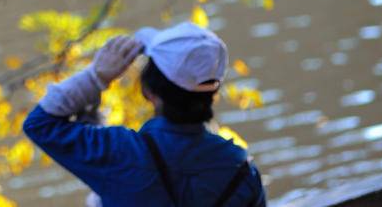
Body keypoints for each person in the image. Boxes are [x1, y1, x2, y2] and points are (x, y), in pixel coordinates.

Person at [22, 22, 266, 206]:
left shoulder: (118, 153)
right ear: (212, 94)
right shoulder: (242, 170)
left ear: (149, 91)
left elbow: (40, 123)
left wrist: (97, 77)